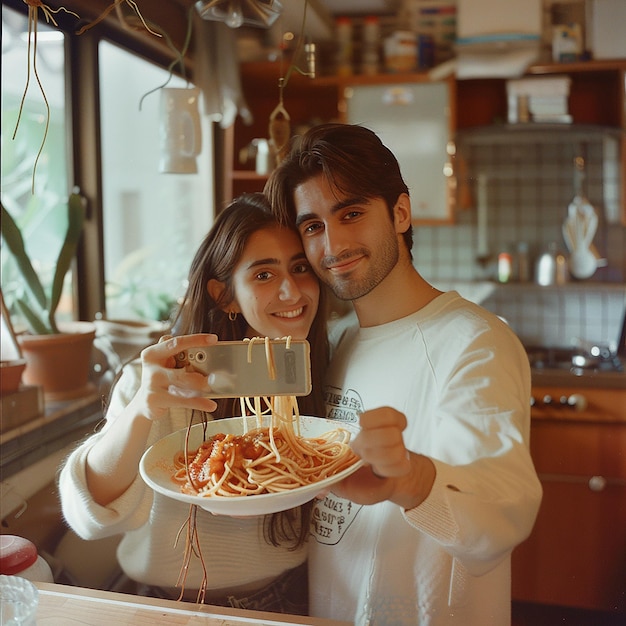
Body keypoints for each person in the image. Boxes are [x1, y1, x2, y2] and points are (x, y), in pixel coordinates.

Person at [264, 123, 543, 625]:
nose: (333, 243)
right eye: (313, 226)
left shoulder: (474, 343)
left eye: (350, 213)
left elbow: (504, 513)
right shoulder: (340, 344)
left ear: (399, 212)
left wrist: (411, 480)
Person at [59, 192, 329, 615]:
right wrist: (140, 411)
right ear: (225, 296)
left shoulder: (325, 371)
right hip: (165, 607)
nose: (291, 290)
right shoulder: (164, 382)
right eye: (263, 275)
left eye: (300, 268)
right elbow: (88, 516)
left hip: (291, 599)